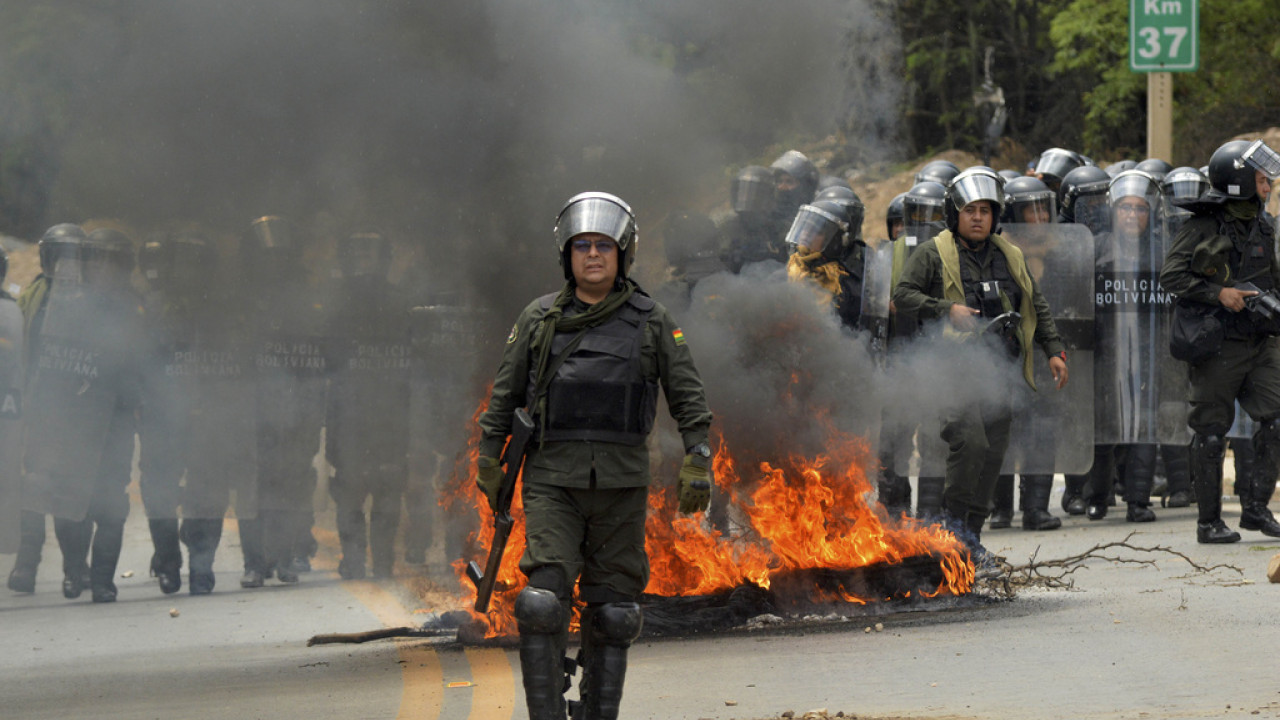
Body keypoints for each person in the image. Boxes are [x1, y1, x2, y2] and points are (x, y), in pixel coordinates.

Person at [476, 192, 712, 720]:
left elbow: (688, 395)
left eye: (603, 246)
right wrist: (490, 459)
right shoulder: (538, 319)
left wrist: (698, 456)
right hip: (553, 480)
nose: (593, 255)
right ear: (567, 255)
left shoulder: (652, 321)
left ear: (622, 252)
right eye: (582, 246)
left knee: (615, 612)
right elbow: (504, 394)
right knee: (541, 602)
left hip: (622, 485)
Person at [893, 167, 1068, 566]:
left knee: (993, 454)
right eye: (970, 209)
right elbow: (903, 295)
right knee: (970, 444)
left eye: (985, 210)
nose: (977, 217)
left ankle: (971, 537)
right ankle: (952, 534)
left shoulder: (1011, 255)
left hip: (999, 371)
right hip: (953, 372)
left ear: (996, 215)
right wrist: (945, 309)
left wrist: (1054, 350)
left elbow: (1034, 304)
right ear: (954, 213)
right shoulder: (933, 253)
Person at [1160, 139, 1280, 543]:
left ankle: (1256, 508)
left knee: (1276, 420)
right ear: (1241, 182)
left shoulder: (1264, 225)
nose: (1269, 187)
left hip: (1260, 342)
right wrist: (1219, 294)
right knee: (1211, 433)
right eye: (1263, 180)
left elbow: (1273, 279)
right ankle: (1209, 521)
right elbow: (1171, 276)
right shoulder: (1203, 226)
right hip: (1217, 346)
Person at [24, 227, 143, 602]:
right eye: (97, 260)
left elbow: (144, 363)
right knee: (68, 496)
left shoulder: (131, 306)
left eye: (112, 261)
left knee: (111, 500)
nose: (104, 269)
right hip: (68, 418)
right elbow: (35, 360)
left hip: (114, 419)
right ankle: (75, 572)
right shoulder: (55, 303)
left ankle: (104, 579)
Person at [1088, 170, 1178, 524]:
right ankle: (1098, 496)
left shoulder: (1161, 251)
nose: (1131, 215)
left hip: (1149, 350)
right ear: (1114, 211)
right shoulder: (1095, 247)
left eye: (1140, 209)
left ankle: (1138, 500)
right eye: (1125, 208)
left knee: (1144, 425)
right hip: (1103, 349)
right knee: (1102, 427)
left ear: (1150, 214)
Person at [326, 231, 412, 579]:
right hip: (354, 414)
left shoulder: (398, 304)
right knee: (354, 491)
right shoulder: (336, 305)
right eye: (358, 256)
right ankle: (363, 560)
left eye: (369, 255)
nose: (364, 264)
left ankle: (375, 562)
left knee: (382, 490)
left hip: (381, 414)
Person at [6, 224, 84, 594]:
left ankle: (75, 568)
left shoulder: (91, 301)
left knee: (71, 491)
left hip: (77, 411)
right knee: (32, 488)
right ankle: (26, 565)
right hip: (37, 406)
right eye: (59, 256)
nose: (65, 266)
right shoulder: (33, 293)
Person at [989, 176, 1064, 531]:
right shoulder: (996, 253)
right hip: (1003, 354)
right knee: (1000, 428)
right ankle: (999, 508)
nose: (1039, 216)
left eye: (1042, 208)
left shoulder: (1064, 250)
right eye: (1030, 210)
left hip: (1043, 353)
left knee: (1042, 429)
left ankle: (1036, 508)